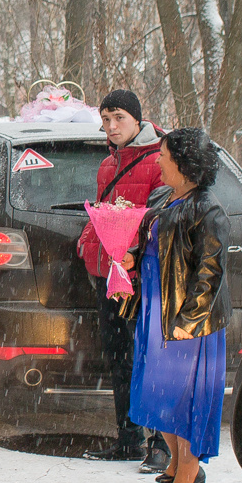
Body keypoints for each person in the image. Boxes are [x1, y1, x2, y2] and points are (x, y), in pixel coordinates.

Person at [118, 127, 230, 483]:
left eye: (163, 156)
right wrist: (134, 255)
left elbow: (209, 274)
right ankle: (176, 461)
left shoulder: (208, 210)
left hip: (186, 320)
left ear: (184, 163)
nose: (158, 161)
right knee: (157, 390)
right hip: (157, 308)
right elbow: (153, 242)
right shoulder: (166, 197)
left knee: (185, 396)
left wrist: (189, 324)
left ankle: (189, 469)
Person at [76, 90, 163, 463]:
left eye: (119, 119)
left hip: (142, 275)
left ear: (138, 121)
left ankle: (160, 445)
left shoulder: (160, 160)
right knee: (119, 356)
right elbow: (103, 210)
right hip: (108, 275)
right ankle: (128, 439)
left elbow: (160, 218)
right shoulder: (107, 165)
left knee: (149, 356)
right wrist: (87, 242)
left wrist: (133, 252)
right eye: (106, 120)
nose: (111, 127)